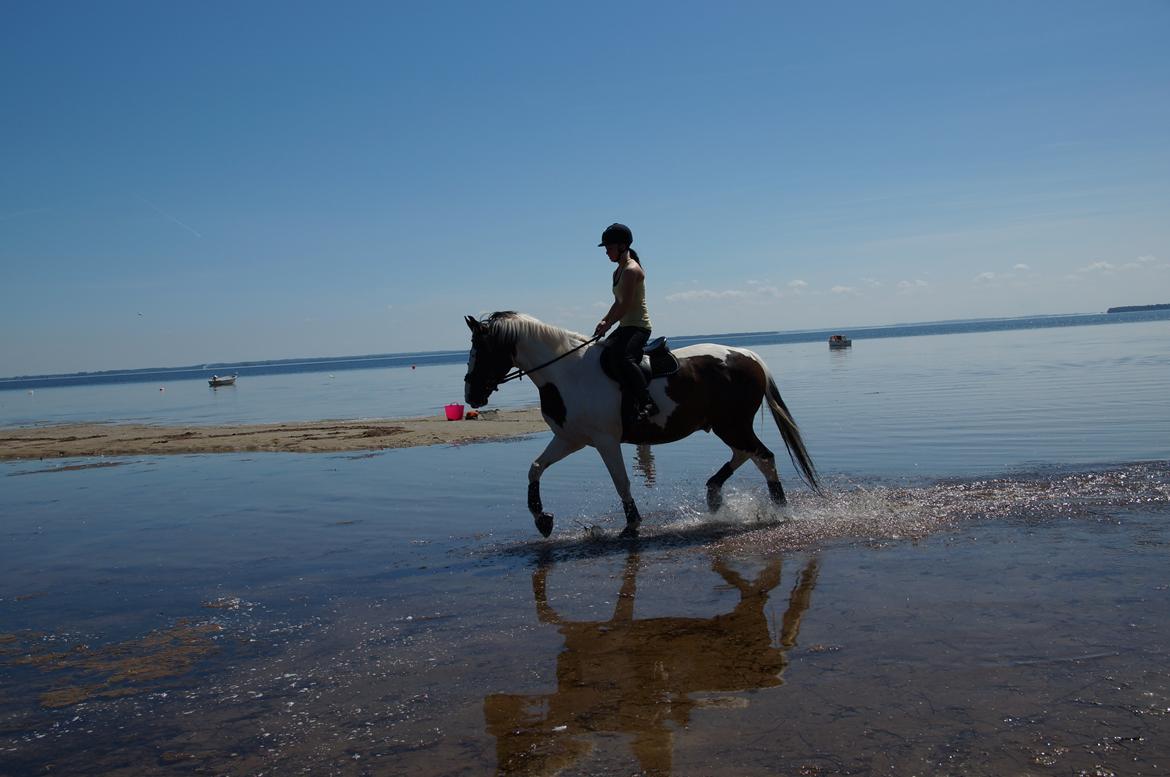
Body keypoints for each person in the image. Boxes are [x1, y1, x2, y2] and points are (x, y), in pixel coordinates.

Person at [593, 223, 659, 422]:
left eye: (609, 248)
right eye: (606, 248)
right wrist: (605, 319)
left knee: (624, 358)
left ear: (623, 246)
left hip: (639, 327)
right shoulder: (617, 272)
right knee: (603, 353)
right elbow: (617, 303)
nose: (606, 252)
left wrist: (608, 324)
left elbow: (627, 305)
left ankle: (647, 401)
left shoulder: (632, 270)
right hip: (625, 327)